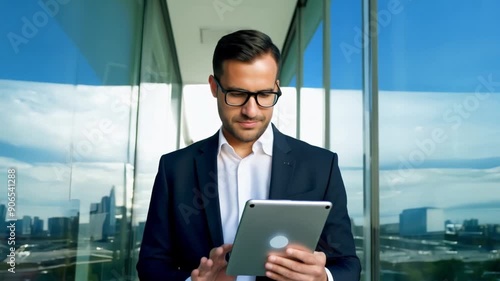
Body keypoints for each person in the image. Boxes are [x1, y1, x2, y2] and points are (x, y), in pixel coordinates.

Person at [136, 29, 361, 281]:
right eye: (237, 94)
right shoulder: (175, 168)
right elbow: (150, 265)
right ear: (214, 87)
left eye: (264, 94)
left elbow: (347, 264)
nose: (251, 111)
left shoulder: (321, 166)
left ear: (276, 87)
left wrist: (323, 278)